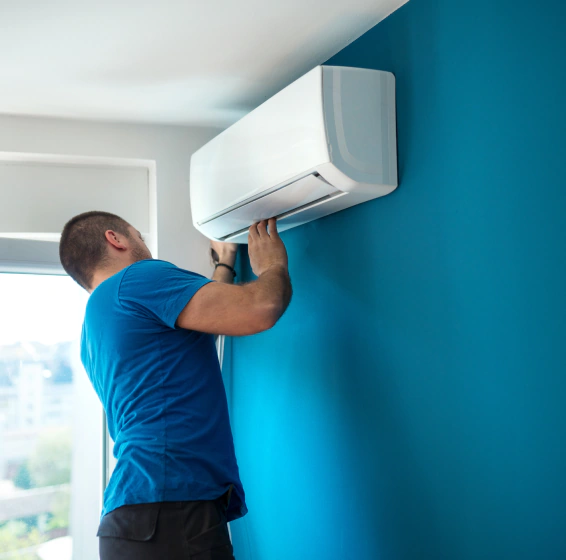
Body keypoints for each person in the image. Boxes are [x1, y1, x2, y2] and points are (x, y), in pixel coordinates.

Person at [59, 210, 292, 560]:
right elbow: (263, 307)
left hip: (131, 521)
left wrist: (225, 264)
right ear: (115, 239)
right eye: (139, 235)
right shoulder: (137, 279)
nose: (144, 245)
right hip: (169, 508)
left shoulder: (94, 328)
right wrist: (272, 265)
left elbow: (202, 321)